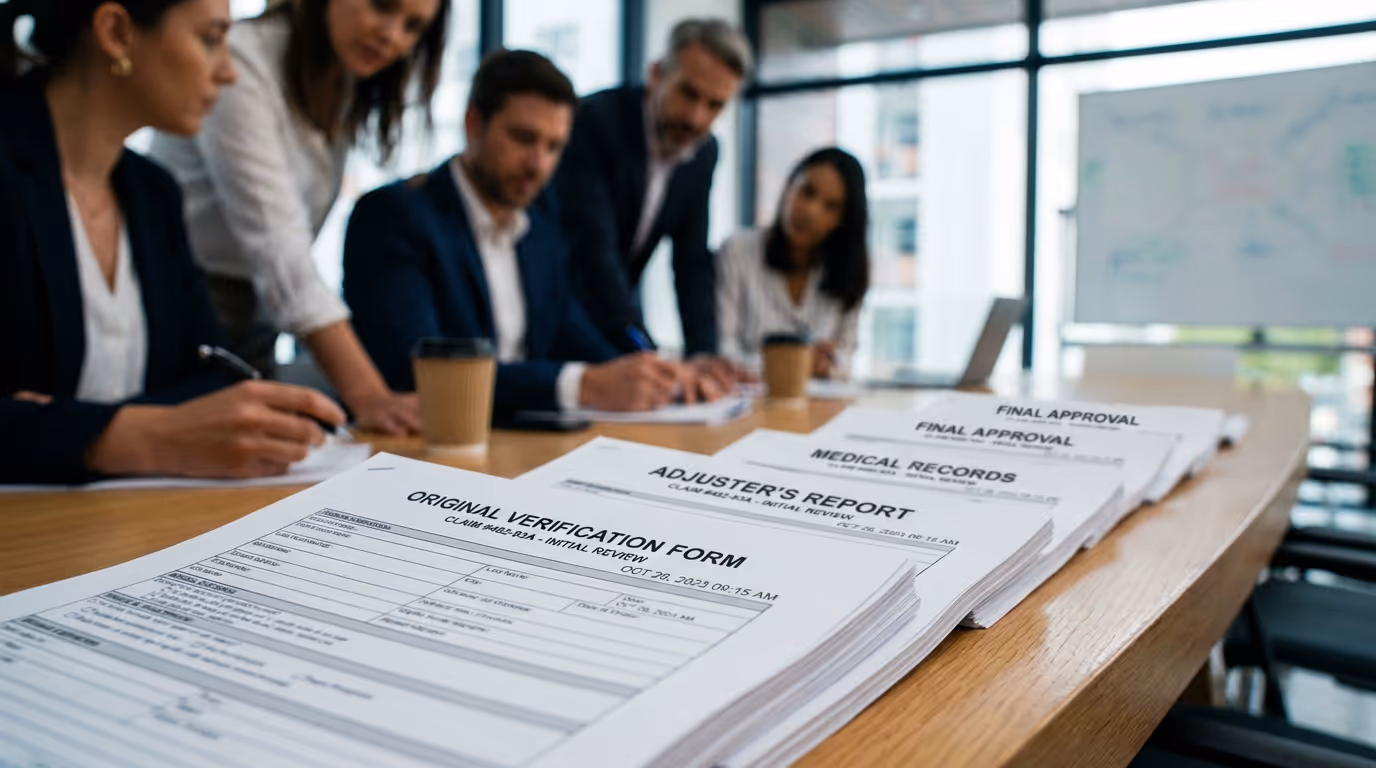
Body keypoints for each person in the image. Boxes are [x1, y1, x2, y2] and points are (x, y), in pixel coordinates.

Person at [0, 0, 347, 485]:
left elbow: (206, 382)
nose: (229, 72)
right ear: (117, 32)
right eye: (209, 38)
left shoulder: (153, 193)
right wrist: (136, 435)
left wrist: (55, 421)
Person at [343, 49, 703, 421]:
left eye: (553, 147)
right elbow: (420, 373)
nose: (538, 165)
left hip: (517, 447)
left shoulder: (540, 228)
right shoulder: (394, 217)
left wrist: (655, 376)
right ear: (472, 124)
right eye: (523, 138)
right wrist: (582, 385)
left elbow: (572, 331)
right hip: (419, 453)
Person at [147, 0, 451, 435]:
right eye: (383, 5)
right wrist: (369, 396)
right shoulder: (241, 61)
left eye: (413, 27)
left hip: (256, 314)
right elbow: (281, 252)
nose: (393, 35)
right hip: (184, 305)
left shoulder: (344, 80)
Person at [553, 18, 751, 364]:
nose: (696, 117)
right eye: (688, 93)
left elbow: (691, 262)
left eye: (715, 105)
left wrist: (704, 356)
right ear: (656, 74)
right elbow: (593, 255)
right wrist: (645, 349)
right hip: (560, 317)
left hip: (614, 320)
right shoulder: (595, 123)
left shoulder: (704, 153)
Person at [717, 147, 870, 380]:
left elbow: (846, 356)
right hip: (750, 406)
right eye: (807, 192)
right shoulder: (737, 251)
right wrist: (796, 363)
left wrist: (828, 364)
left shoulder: (848, 272)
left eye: (830, 206)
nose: (810, 211)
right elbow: (721, 351)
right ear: (789, 186)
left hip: (817, 408)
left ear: (842, 220)